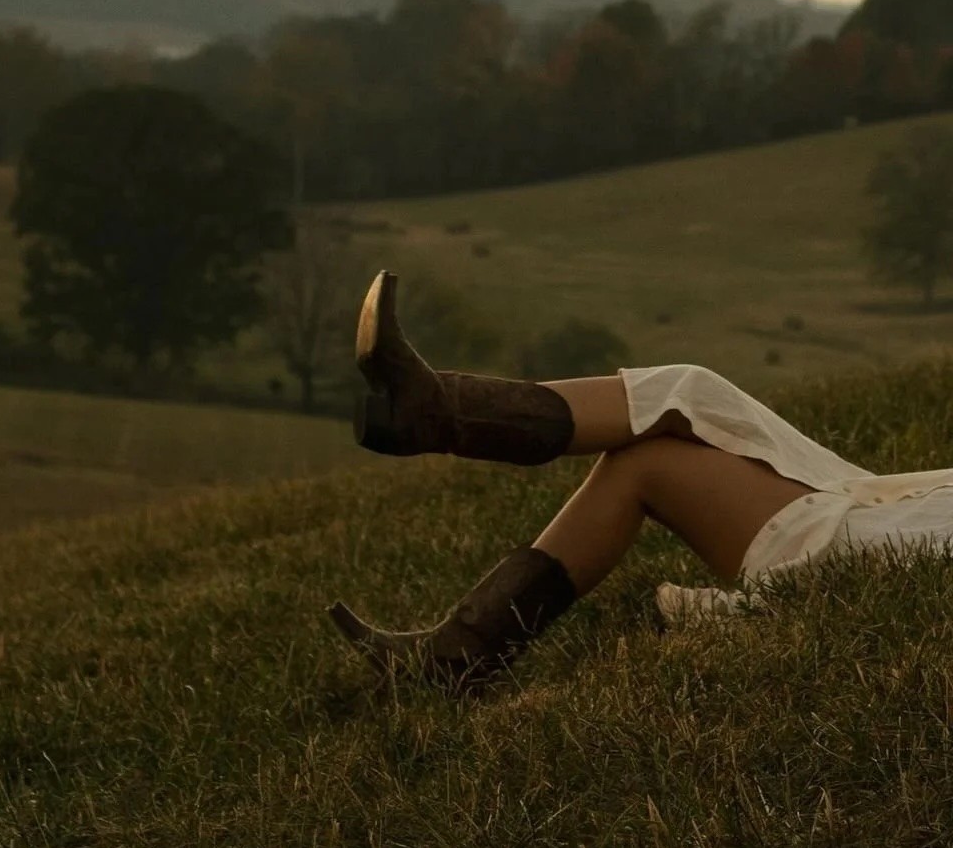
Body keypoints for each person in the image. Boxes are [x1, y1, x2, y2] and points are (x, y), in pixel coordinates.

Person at [327, 270, 953, 693]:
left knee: (653, 452)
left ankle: (456, 650)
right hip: (884, 502)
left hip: (882, 546)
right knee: (688, 396)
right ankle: (439, 416)